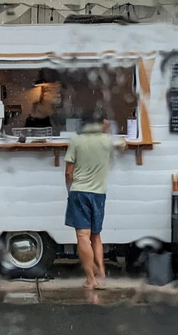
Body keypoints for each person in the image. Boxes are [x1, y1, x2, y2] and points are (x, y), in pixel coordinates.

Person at [64, 111, 124, 289]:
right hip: (99, 194)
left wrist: (69, 190)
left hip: (80, 192)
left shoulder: (76, 140)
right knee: (96, 235)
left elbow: (69, 172)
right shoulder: (107, 141)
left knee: (83, 236)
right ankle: (101, 271)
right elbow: (122, 144)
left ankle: (91, 279)